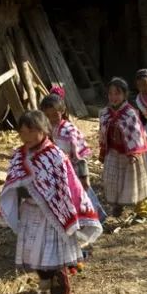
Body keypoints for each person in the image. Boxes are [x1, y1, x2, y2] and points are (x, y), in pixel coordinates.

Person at [0, 111, 102, 294]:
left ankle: (60, 289)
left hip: (53, 214)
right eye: (22, 132)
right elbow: (13, 179)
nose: (25, 136)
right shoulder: (19, 155)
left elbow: (65, 185)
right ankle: (44, 277)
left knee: (53, 252)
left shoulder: (55, 155)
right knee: (33, 249)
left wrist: (49, 198)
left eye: (29, 131)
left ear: (42, 130)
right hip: (29, 210)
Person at [40, 93, 107, 231]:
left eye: (54, 114)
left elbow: (80, 156)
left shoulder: (69, 130)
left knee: (81, 196)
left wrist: (84, 176)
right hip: (56, 173)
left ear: (62, 111)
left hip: (73, 171)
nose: (51, 119)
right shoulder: (45, 130)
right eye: (47, 115)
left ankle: (94, 219)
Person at [98, 78, 147, 220]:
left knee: (135, 182)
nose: (113, 97)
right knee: (112, 180)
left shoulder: (130, 113)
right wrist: (103, 151)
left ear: (125, 95)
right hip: (113, 153)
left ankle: (142, 212)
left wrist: (134, 153)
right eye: (110, 94)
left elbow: (137, 133)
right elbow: (102, 134)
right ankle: (118, 205)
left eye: (117, 93)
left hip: (131, 155)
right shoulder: (104, 113)